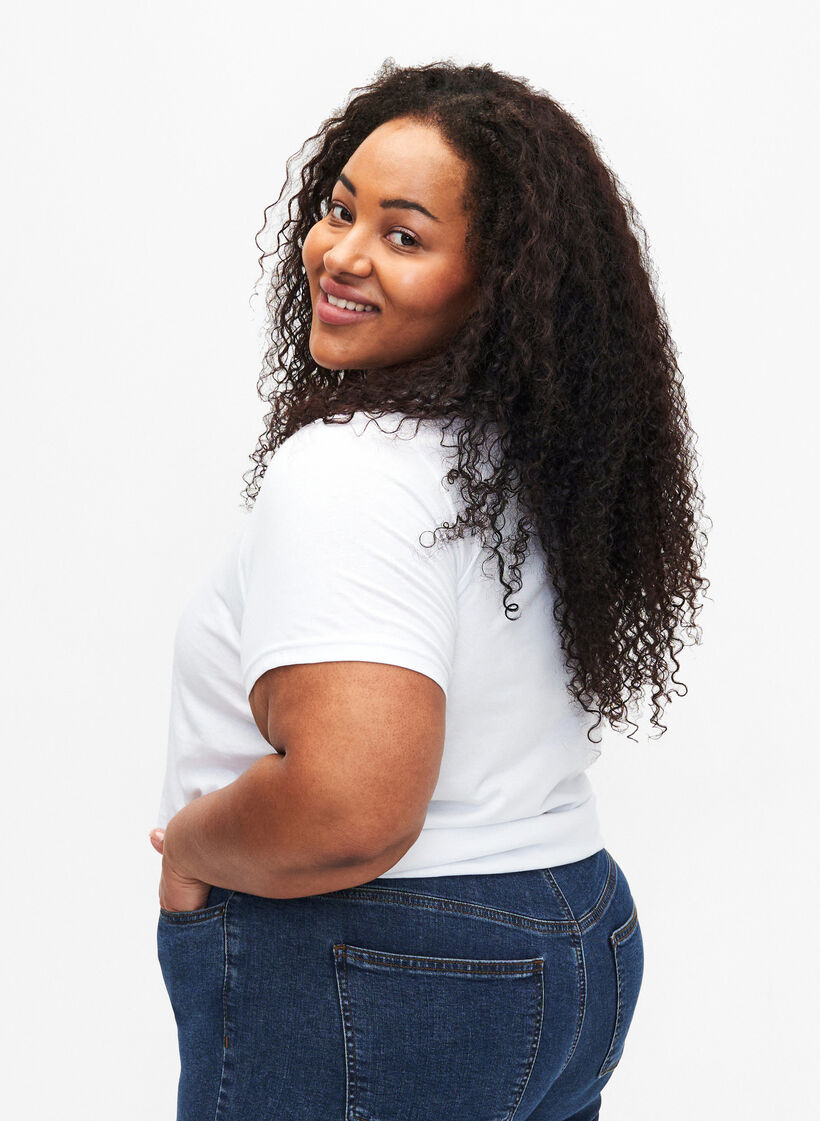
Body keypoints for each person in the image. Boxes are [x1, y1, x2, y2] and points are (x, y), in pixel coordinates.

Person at [150, 59, 710, 1121]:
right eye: (338, 209)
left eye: (402, 235)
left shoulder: (352, 469)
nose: (340, 254)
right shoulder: (520, 459)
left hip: (376, 955)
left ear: (494, 281)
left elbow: (349, 807)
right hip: (573, 927)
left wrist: (192, 843)